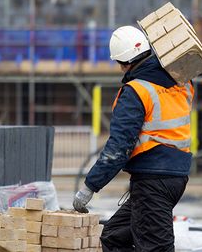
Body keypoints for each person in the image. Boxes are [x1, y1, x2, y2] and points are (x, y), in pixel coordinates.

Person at [73, 25, 194, 252]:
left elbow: (119, 148)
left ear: (124, 63)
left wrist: (90, 186)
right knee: (114, 237)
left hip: (153, 181)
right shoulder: (182, 83)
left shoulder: (136, 91)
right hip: (175, 177)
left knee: (155, 248)